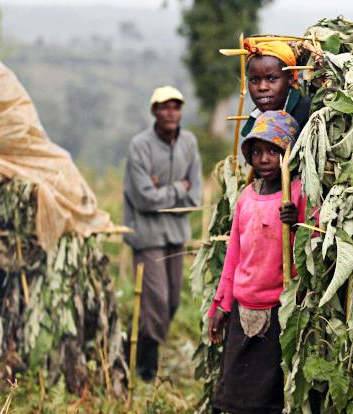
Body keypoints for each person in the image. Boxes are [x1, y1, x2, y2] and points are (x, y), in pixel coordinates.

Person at [207, 111, 306, 413]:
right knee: (234, 393)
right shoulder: (246, 198)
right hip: (243, 309)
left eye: (274, 151)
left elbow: (310, 248)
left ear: (289, 153)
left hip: (278, 311)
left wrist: (297, 223)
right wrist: (222, 305)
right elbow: (234, 257)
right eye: (258, 151)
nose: (264, 159)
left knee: (269, 398)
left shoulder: (297, 194)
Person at [123, 85, 202, 381]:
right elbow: (143, 198)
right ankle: (146, 368)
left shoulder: (189, 143)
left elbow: (194, 197)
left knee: (171, 303)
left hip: (176, 234)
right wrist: (178, 188)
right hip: (147, 236)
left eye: (176, 107)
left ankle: (129, 351)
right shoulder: (140, 146)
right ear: (154, 111)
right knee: (155, 301)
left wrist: (162, 191)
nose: (171, 112)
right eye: (165, 107)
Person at [241, 38, 312, 142]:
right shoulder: (256, 118)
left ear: (291, 78)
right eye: (255, 80)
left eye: (272, 79)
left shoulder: (308, 114)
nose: (262, 87)